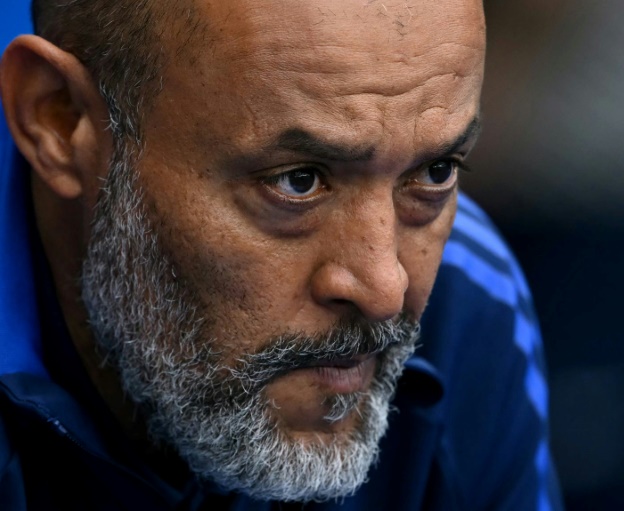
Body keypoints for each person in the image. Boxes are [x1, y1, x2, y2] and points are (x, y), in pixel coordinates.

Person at [0, 0, 561, 509]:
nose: (385, 289)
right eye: (298, 181)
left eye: (435, 172)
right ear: (60, 119)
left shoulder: (468, 300)